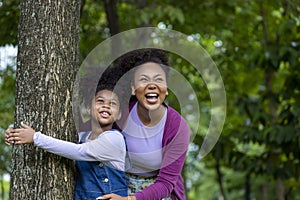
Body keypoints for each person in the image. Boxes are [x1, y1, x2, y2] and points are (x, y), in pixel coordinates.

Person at [5, 82, 128, 200]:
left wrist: (35, 138)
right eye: (100, 101)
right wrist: (15, 132)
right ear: (89, 109)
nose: (106, 105)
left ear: (119, 114)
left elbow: (79, 151)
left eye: (113, 103)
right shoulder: (82, 137)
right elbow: (60, 143)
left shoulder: (115, 139)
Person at [100, 49, 191, 200]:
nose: (152, 85)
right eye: (144, 79)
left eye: (158, 79)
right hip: (119, 187)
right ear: (133, 88)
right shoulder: (120, 114)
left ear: (166, 88)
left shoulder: (178, 127)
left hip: (158, 193)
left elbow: (166, 183)